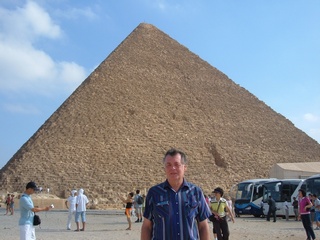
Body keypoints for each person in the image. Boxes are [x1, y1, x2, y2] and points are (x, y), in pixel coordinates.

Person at [141, 148, 211, 240]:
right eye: (168, 165)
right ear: (164, 168)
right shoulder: (154, 193)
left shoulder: (196, 192)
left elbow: (203, 226)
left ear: (184, 167)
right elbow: (147, 226)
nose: (172, 168)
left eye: (177, 164)